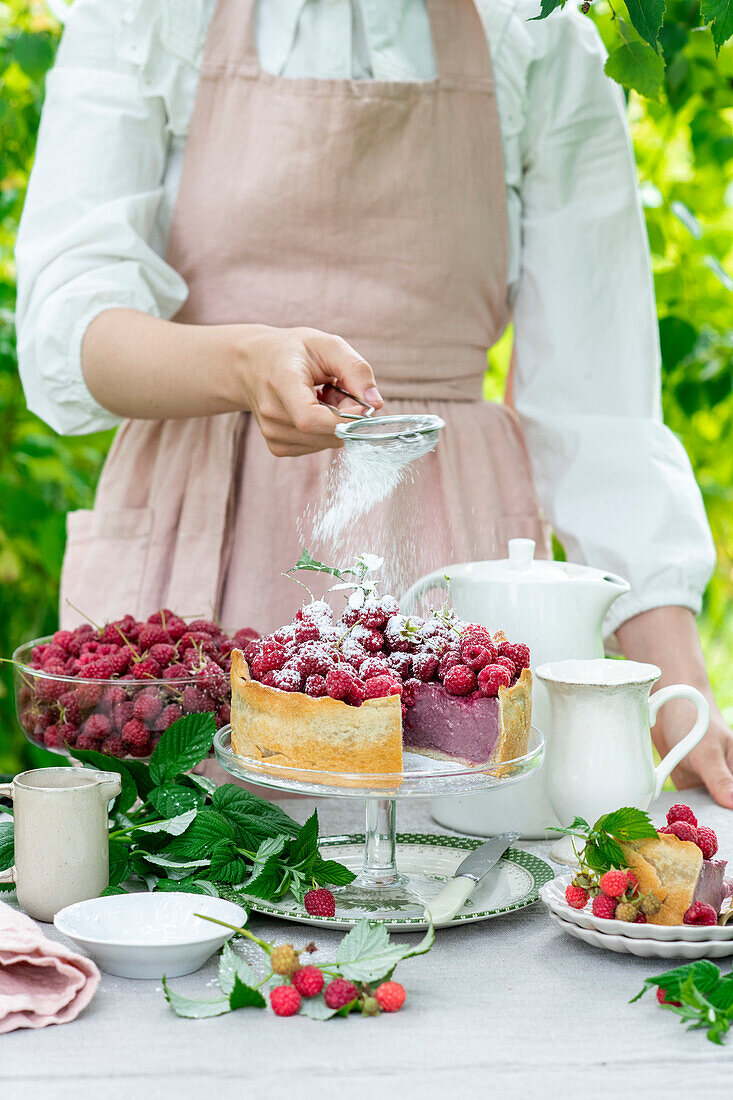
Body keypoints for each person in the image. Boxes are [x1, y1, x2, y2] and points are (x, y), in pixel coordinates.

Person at [15, 0, 733, 806]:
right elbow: (67, 334)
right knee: (182, 870)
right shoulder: (149, 17)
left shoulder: (535, 33)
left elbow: (597, 402)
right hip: (200, 538)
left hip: (441, 554)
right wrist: (245, 363)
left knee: (455, 866)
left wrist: (682, 701)